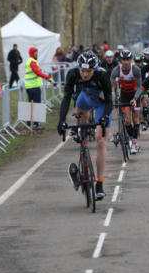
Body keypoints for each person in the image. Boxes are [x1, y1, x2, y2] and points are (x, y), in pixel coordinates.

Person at [58, 51, 112, 200]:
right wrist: (61, 120)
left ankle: (99, 183)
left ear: (95, 69)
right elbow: (67, 98)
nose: (85, 74)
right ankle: (80, 138)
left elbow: (109, 101)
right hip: (85, 100)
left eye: (89, 71)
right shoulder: (73, 74)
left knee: (101, 141)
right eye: (82, 70)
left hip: (102, 104)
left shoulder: (103, 76)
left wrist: (105, 117)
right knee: (80, 115)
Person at [111, 49, 142, 154]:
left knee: (136, 119)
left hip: (135, 95)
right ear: (120, 60)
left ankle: (134, 143)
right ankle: (132, 139)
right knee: (128, 120)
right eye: (123, 59)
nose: (125, 62)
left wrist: (135, 99)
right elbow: (110, 86)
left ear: (131, 60)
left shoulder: (136, 70)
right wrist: (111, 98)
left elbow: (139, 88)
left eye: (128, 59)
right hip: (124, 95)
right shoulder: (116, 70)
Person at [25, 46, 55, 130]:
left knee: (31, 105)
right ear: (32, 53)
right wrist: (48, 78)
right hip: (34, 86)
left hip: (30, 86)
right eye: (35, 52)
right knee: (37, 105)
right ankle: (36, 124)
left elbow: (36, 72)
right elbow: (38, 73)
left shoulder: (31, 61)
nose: (37, 54)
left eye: (37, 52)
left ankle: (29, 122)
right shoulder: (32, 62)